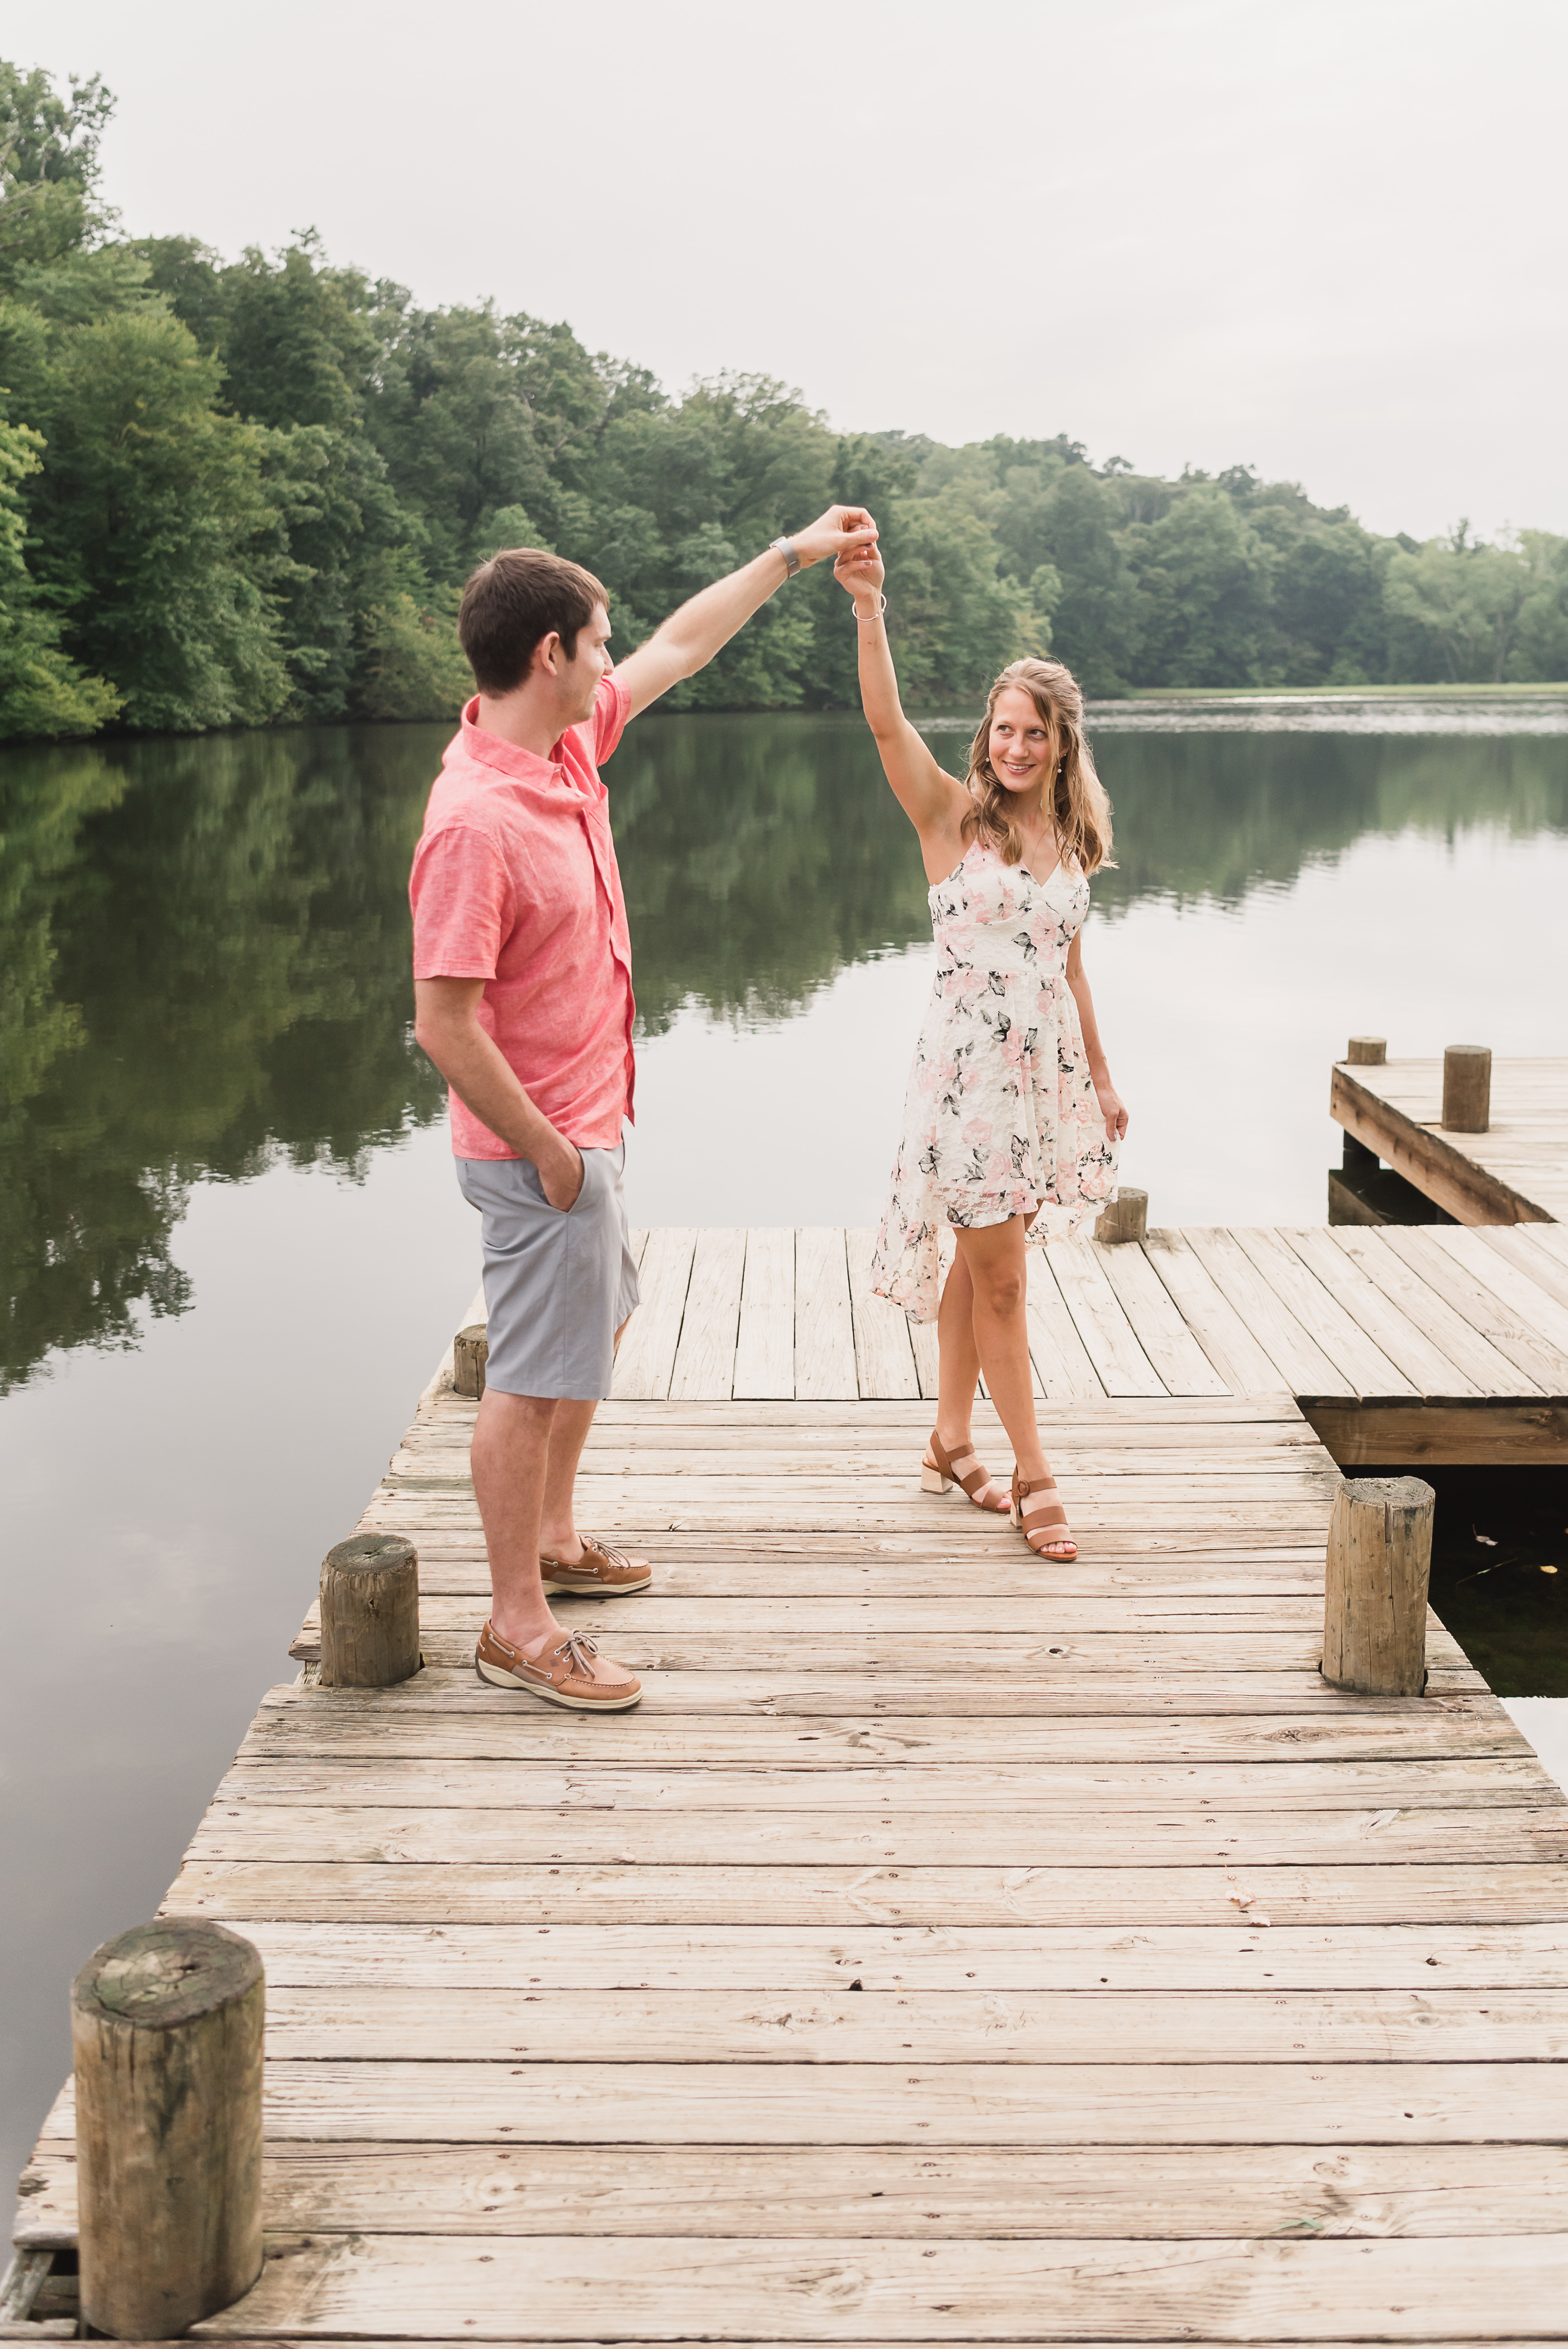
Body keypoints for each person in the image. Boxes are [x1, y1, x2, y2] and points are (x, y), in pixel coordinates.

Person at [411, 508, 878, 1709]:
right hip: (540, 1149)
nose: (616, 659)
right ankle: (516, 1624)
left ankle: (556, 1544)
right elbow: (443, 1025)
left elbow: (683, 644)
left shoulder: (564, 755)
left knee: (592, 1331)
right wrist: (555, 1160)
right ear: (551, 653)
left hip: (589, 1126)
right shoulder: (474, 822)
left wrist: (790, 555)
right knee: (527, 1375)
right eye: (598, 643)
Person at [832, 535, 1126, 1562]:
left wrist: (1099, 1079)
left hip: (1037, 1087)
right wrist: (869, 608)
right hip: (964, 1086)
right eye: (1000, 728)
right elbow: (883, 722)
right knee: (1001, 1278)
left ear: (1060, 742)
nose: (1011, 746)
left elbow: (1070, 971)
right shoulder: (953, 821)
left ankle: (950, 1438)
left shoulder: (1072, 844)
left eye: (1030, 731)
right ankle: (1036, 1471)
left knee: (979, 1259)